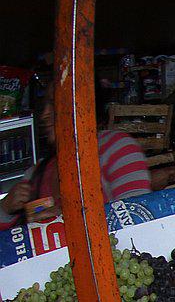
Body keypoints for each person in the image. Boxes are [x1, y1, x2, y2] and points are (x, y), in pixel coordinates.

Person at [1, 92, 152, 225]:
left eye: (54, 104)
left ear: (81, 105)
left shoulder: (116, 147)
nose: (44, 114)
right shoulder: (36, 174)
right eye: (45, 105)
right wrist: (5, 208)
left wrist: (68, 221)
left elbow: (137, 218)